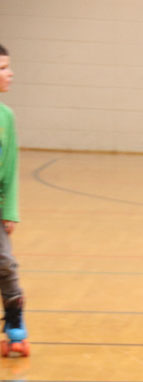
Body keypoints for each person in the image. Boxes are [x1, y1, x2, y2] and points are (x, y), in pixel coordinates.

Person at [0, 43, 27, 358]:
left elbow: (10, 168)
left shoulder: (6, 117)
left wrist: (10, 211)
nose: (10, 74)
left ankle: (15, 320)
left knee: (5, 264)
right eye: (3, 68)